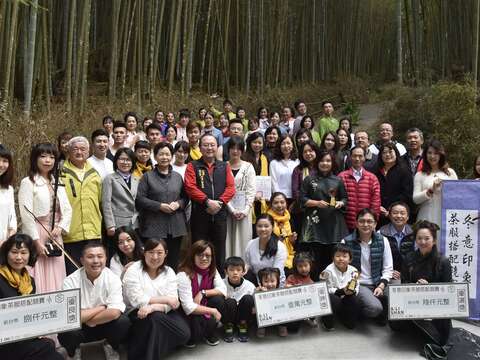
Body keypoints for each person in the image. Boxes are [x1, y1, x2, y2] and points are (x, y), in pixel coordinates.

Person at [58, 242, 130, 360]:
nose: (96, 261)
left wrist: (85, 317)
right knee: (66, 331)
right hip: (80, 328)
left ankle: (110, 345)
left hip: (104, 323)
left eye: (100, 256)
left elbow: (114, 312)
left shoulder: (113, 279)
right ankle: (73, 352)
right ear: (82, 260)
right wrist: (101, 308)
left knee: (123, 322)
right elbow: (70, 317)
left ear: (106, 258)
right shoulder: (70, 281)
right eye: (90, 257)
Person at [123, 238, 190, 359]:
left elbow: (174, 301)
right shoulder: (133, 270)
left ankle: (141, 347)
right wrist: (166, 299)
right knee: (155, 319)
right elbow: (137, 300)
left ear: (166, 254)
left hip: (161, 310)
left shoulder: (169, 272)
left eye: (159, 253)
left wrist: (153, 307)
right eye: (151, 252)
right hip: (136, 313)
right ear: (144, 253)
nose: (155, 257)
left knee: (184, 334)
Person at [18, 143, 72, 294]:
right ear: (35, 159)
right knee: (37, 271)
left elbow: (67, 209)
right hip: (37, 233)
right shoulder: (28, 182)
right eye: (43, 156)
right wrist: (36, 241)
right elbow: (26, 214)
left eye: (52, 157)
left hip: (55, 234)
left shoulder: (57, 181)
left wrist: (60, 227)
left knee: (56, 269)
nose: (48, 160)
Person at [0, 234, 64, 360]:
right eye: (14, 252)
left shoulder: (30, 281)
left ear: (30, 255)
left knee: (48, 345)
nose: (19, 257)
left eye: (23, 252)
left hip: (22, 338)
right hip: (4, 340)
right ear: (6, 254)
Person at [389, 220, 453, 347]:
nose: (423, 242)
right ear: (415, 240)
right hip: (414, 302)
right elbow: (404, 284)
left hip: (436, 304)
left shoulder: (443, 261)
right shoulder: (409, 258)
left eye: (427, 238)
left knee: (441, 336)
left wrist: (429, 288)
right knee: (394, 323)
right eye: (419, 238)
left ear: (434, 240)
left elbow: (449, 289)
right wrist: (416, 288)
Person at [184, 134, 236, 268]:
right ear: (200, 148)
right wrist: (207, 201)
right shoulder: (192, 166)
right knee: (199, 250)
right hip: (200, 216)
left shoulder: (224, 166)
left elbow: (231, 188)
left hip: (220, 216)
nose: (209, 148)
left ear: (217, 147)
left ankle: (219, 279)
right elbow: (190, 187)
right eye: (205, 145)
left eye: (212, 145)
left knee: (219, 251)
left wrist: (219, 203)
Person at [136, 142, 188, 270]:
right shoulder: (147, 177)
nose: (164, 157)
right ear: (155, 156)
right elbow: (140, 199)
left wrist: (178, 204)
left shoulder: (177, 177)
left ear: (172, 156)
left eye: (167, 154)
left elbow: (185, 197)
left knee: (173, 260)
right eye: (161, 154)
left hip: (176, 226)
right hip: (154, 225)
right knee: (155, 261)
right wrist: (159, 206)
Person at [300, 150, 349, 277]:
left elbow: (345, 198)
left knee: (333, 256)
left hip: (333, 224)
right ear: (317, 162)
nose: (325, 163)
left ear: (332, 163)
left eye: (328, 161)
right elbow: (302, 199)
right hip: (314, 225)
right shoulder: (309, 179)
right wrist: (316, 203)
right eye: (322, 160)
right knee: (315, 258)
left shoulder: (338, 180)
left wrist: (340, 203)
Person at [342, 209, 393, 324]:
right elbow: (341, 269)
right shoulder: (346, 242)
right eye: (362, 221)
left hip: (377, 281)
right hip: (359, 284)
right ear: (356, 223)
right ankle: (358, 311)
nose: (366, 224)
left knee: (398, 293)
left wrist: (381, 285)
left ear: (375, 224)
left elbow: (388, 268)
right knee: (375, 308)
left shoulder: (383, 240)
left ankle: (374, 307)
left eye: (370, 221)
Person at [62, 137, 102, 274]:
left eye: (83, 149)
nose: (79, 152)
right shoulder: (61, 173)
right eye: (75, 149)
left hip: (93, 231)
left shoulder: (94, 173)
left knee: (94, 272)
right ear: (69, 151)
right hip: (70, 233)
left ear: (89, 151)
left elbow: (101, 201)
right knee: (73, 273)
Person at [177, 240, 227, 347]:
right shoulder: (183, 274)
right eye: (200, 255)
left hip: (201, 304)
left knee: (219, 299)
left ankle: (209, 332)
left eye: (208, 255)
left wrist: (202, 293)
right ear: (192, 256)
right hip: (186, 313)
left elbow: (223, 290)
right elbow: (188, 307)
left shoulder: (212, 270)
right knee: (195, 328)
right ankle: (193, 333)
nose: (204, 258)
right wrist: (212, 311)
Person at [413, 139, 457, 228]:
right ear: (425, 155)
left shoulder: (450, 172)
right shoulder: (420, 174)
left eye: (436, 153)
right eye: (429, 153)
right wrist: (431, 190)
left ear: (441, 155)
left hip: (447, 216)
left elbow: (457, 195)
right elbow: (415, 199)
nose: (432, 156)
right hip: (426, 215)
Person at [226, 137, 256, 258]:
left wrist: (245, 210)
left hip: (244, 210)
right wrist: (231, 209)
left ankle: (243, 268)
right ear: (228, 150)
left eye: (238, 148)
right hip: (228, 210)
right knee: (228, 240)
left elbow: (251, 190)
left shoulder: (248, 167)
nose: (235, 151)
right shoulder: (223, 166)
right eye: (232, 148)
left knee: (243, 239)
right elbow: (222, 190)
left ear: (242, 150)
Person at [338, 146, 381, 231]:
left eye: (360, 156)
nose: (357, 159)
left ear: (365, 158)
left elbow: (376, 203)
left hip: (366, 224)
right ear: (350, 158)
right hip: (346, 224)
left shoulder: (372, 178)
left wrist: (373, 221)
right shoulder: (342, 176)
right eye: (354, 156)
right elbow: (336, 198)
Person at [102, 147, 139, 240]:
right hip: (117, 223)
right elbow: (106, 203)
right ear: (116, 161)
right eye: (122, 159)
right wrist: (110, 225)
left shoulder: (136, 179)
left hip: (134, 223)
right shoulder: (110, 178)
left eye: (128, 160)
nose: (125, 163)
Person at [321, 244, 360, 330]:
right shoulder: (327, 271)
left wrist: (352, 291)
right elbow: (325, 288)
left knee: (354, 299)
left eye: (344, 256)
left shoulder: (354, 271)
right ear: (333, 258)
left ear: (350, 259)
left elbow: (356, 286)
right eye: (337, 256)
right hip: (334, 295)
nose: (341, 259)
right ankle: (327, 321)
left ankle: (346, 318)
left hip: (347, 295)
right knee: (333, 300)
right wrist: (341, 291)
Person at [374, 142, 413, 226]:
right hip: (378, 212)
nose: (387, 155)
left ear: (396, 153)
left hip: (398, 213)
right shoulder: (375, 171)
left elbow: (407, 194)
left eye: (390, 152)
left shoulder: (404, 170)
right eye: (384, 152)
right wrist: (377, 206)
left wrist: (391, 209)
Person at [244, 214, 288, 286]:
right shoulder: (250, 244)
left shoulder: (280, 247)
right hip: (256, 282)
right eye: (259, 226)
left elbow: (277, 271)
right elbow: (248, 265)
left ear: (272, 227)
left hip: (273, 283)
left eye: (266, 226)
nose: (263, 229)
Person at [378, 202, 415, 283]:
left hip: (410, 275)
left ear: (408, 217)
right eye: (395, 213)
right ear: (389, 215)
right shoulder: (380, 233)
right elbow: (376, 258)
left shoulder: (415, 233)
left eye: (402, 213)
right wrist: (389, 271)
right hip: (388, 275)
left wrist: (406, 273)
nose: (398, 216)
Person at [222, 256, 256, 343]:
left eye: (238, 270)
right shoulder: (221, 284)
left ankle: (243, 326)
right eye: (231, 270)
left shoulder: (250, 286)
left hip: (243, 315)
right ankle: (228, 327)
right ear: (226, 271)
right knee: (230, 301)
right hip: (228, 315)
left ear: (243, 272)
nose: (235, 273)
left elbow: (255, 304)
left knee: (248, 298)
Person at [242, 132, 269, 233]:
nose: (257, 145)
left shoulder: (264, 158)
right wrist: (253, 195)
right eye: (254, 142)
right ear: (249, 143)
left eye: (260, 143)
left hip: (262, 199)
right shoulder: (244, 158)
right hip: (248, 199)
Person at [291, 140, 319, 234]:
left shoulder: (322, 168)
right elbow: (295, 191)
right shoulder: (298, 170)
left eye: (310, 150)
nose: (308, 153)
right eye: (305, 152)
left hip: (320, 210)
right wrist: (309, 203)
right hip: (302, 211)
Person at [267, 192, 296, 274]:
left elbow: (292, 244)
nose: (279, 205)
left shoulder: (289, 219)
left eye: (282, 202)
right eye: (276, 203)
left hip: (288, 255)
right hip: (271, 256)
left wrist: (292, 240)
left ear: (286, 204)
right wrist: (277, 241)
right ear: (271, 205)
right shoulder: (267, 220)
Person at [255, 267, 288, 337]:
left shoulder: (281, 291)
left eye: (272, 281)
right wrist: (258, 293)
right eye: (266, 282)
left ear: (277, 281)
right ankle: (262, 327)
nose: (269, 284)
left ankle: (282, 326)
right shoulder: (258, 290)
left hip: (278, 314)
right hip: (264, 316)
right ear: (261, 282)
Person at [269, 134, 299, 202]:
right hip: (279, 199)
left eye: (288, 143)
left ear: (293, 145)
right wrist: (279, 199)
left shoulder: (297, 162)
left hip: (295, 198)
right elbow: (274, 182)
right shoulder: (274, 163)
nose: (286, 146)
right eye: (283, 144)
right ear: (279, 146)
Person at [0, 145, 16, 245]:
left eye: (5, 161)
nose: (1, 165)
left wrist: (7, 241)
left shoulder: (8, 189)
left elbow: (12, 218)